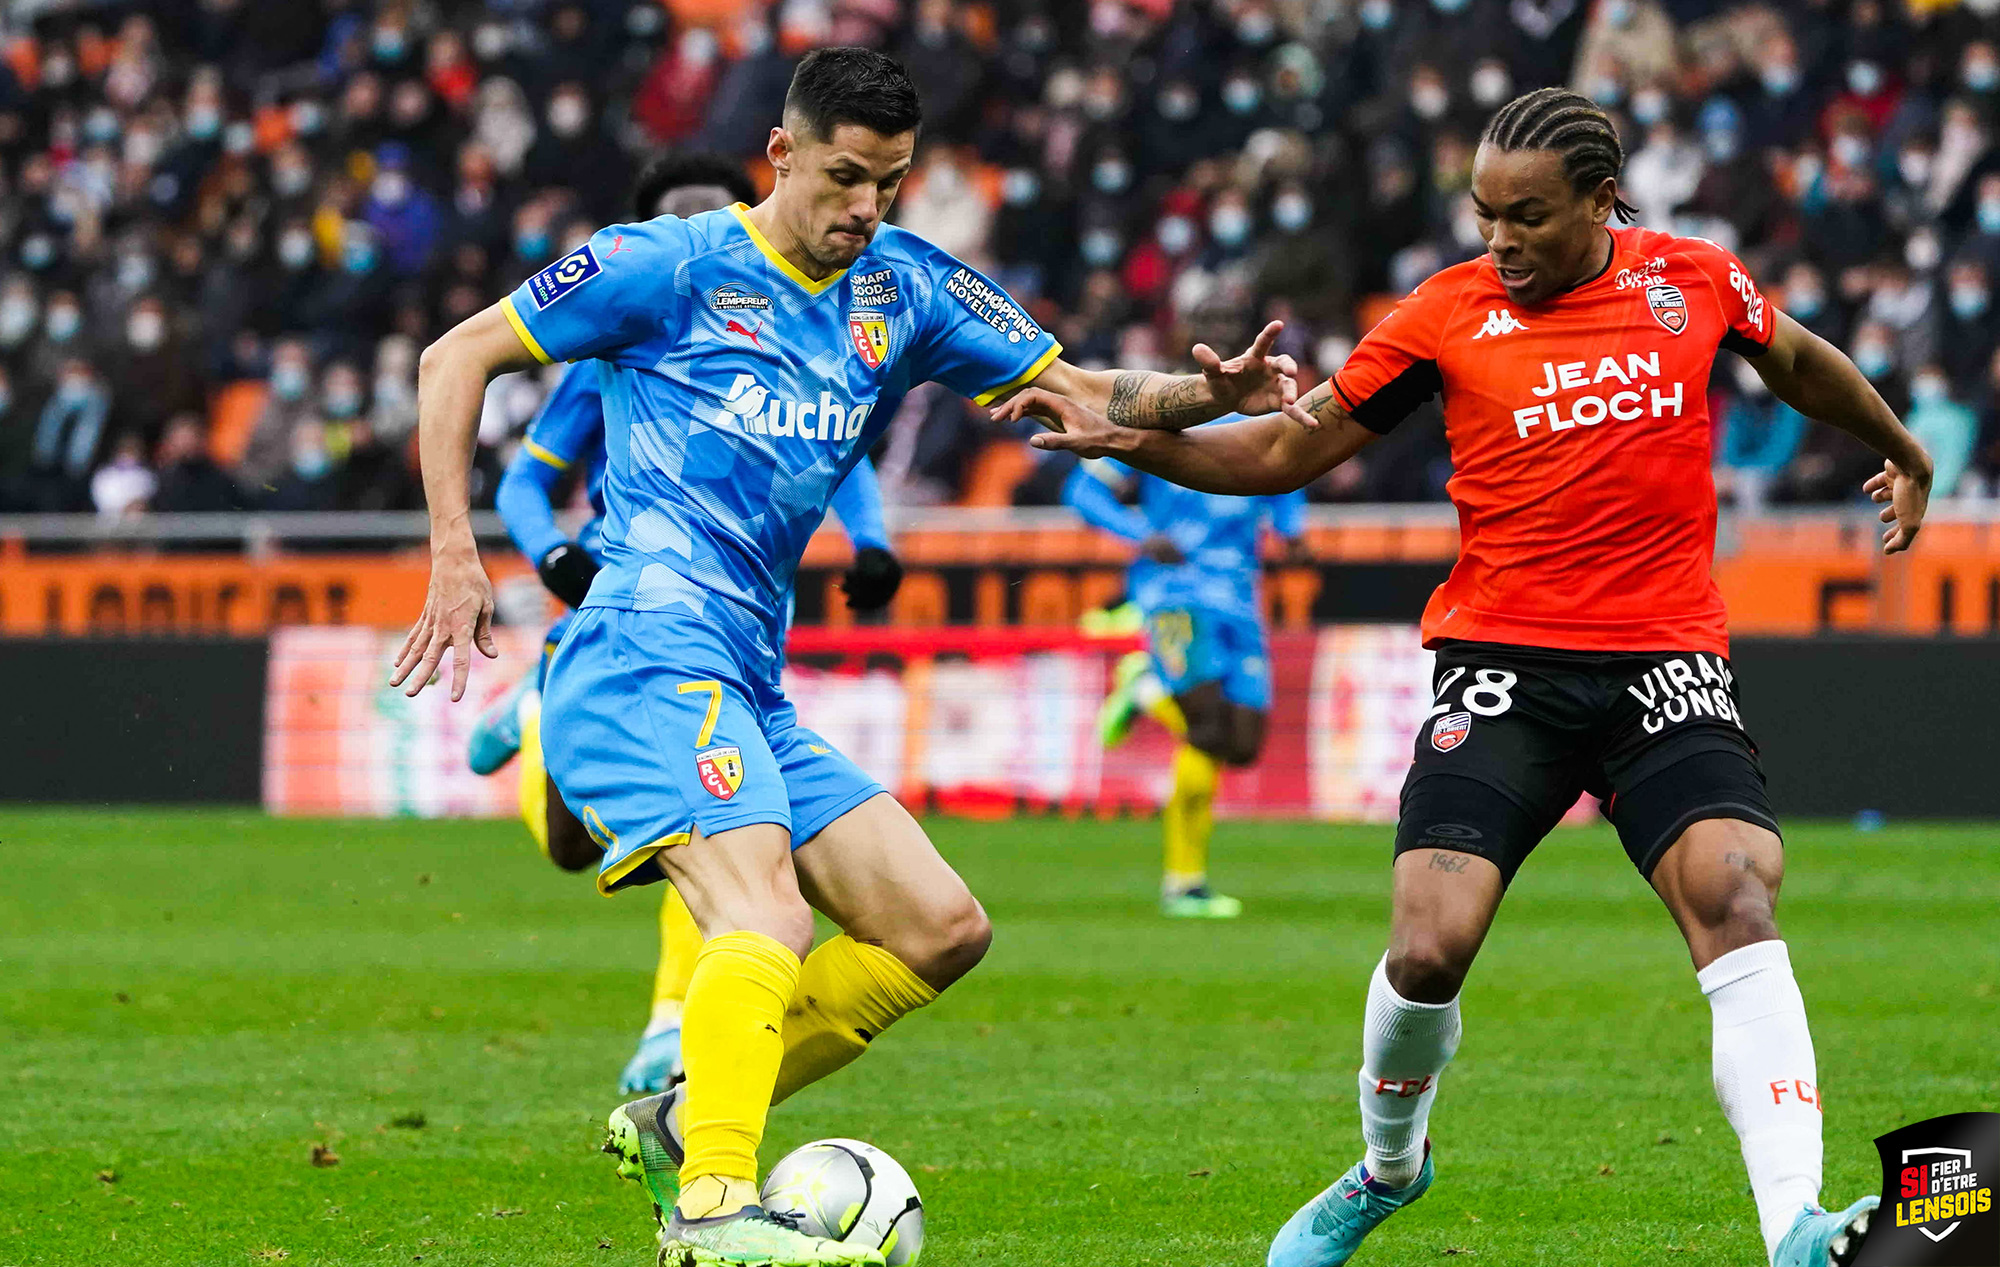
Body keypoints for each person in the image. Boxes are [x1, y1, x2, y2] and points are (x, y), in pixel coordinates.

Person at [392, 47, 1301, 1267]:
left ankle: (680, 1120)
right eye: (844, 178)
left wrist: (1213, 399)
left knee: (939, 926)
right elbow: (453, 358)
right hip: (641, 648)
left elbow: (1086, 390)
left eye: (890, 182)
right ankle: (712, 1211)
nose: (865, 208)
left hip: (746, 675)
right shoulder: (662, 266)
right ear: (781, 156)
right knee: (760, 910)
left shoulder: (906, 289)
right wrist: (457, 552)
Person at [1008, 88, 1930, 1267]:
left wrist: (1899, 447)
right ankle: (1388, 1168)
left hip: (1663, 663)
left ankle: (1794, 1227)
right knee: (1427, 947)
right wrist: (1146, 442)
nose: (1498, 240)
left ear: (1602, 201)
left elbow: (1797, 361)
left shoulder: (1689, 281)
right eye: (1484, 214)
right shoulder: (1442, 315)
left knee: (1735, 899)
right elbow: (1292, 445)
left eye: (1527, 217)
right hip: (1504, 665)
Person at [470, 150, 909, 1099]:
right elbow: (522, 478)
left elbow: (847, 452)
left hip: (746, 629)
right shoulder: (636, 313)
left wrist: (872, 544)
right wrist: (550, 555)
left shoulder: (821, 326)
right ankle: (545, 710)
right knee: (571, 847)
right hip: (639, 608)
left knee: (725, 837)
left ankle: (678, 1029)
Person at [1063, 445, 1306, 918]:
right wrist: (1140, 534)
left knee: (1240, 745)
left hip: (1241, 599)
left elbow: (1291, 475)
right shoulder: (1154, 423)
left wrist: (1292, 529)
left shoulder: (1267, 426)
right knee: (1208, 730)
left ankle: (1144, 689)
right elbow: (1082, 492)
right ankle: (1184, 884)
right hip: (1174, 593)